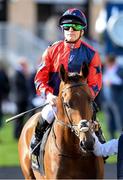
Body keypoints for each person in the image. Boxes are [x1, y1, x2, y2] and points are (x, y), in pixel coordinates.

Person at [31, 8, 104, 157]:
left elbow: (95, 83)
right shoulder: (51, 51)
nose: (71, 30)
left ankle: (100, 150)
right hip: (55, 101)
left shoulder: (92, 54)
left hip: (82, 101)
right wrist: (49, 96)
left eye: (76, 27)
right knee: (46, 115)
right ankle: (35, 146)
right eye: (67, 27)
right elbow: (39, 79)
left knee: (94, 123)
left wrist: (83, 98)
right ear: (62, 30)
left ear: (82, 31)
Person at [13, 58, 30, 140]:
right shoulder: (17, 73)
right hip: (19, 98)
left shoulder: (19, 73)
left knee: (21, 117)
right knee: (18, 117)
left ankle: (19, 132)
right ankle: (16, 134)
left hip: (22, 98)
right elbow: (21, 85)